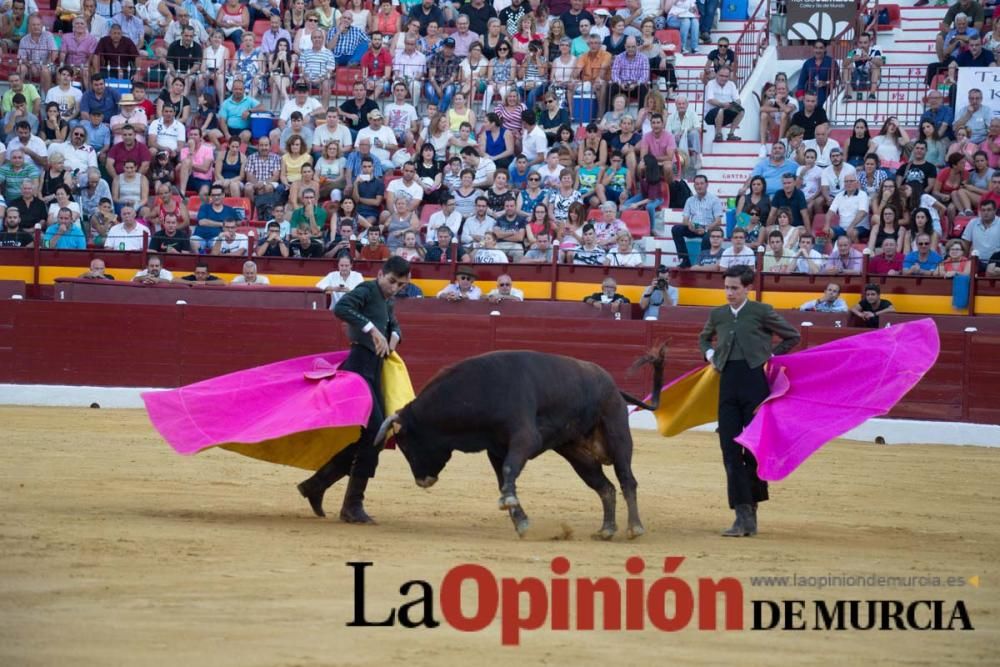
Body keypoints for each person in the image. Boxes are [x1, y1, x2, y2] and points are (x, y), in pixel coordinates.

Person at [296, 256, 410, 522]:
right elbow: (342, 307)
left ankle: (318, 485)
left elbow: (393, 324)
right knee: (375, 434)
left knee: (369, 438)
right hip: (359, 367)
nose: (394, 288)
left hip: (375, 369)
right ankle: (350, 505)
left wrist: (393, 336)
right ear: (381, 274)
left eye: (400, 285)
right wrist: (372, 330)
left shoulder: (387, 299)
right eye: (392, 281)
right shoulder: (368, 290)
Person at [699, 265, 800, 537]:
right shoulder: (718, 314)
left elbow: (792, 336)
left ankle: (751, 511)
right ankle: (741, 514)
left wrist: (769, 356)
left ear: (747, 288)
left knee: (753, 452)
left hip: (756, 385)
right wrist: (710, 354)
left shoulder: (761, 311)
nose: (729, 293)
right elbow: (703, 338)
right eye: (727, 287)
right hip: (728, 385)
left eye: (734, 288)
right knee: (730, 450)